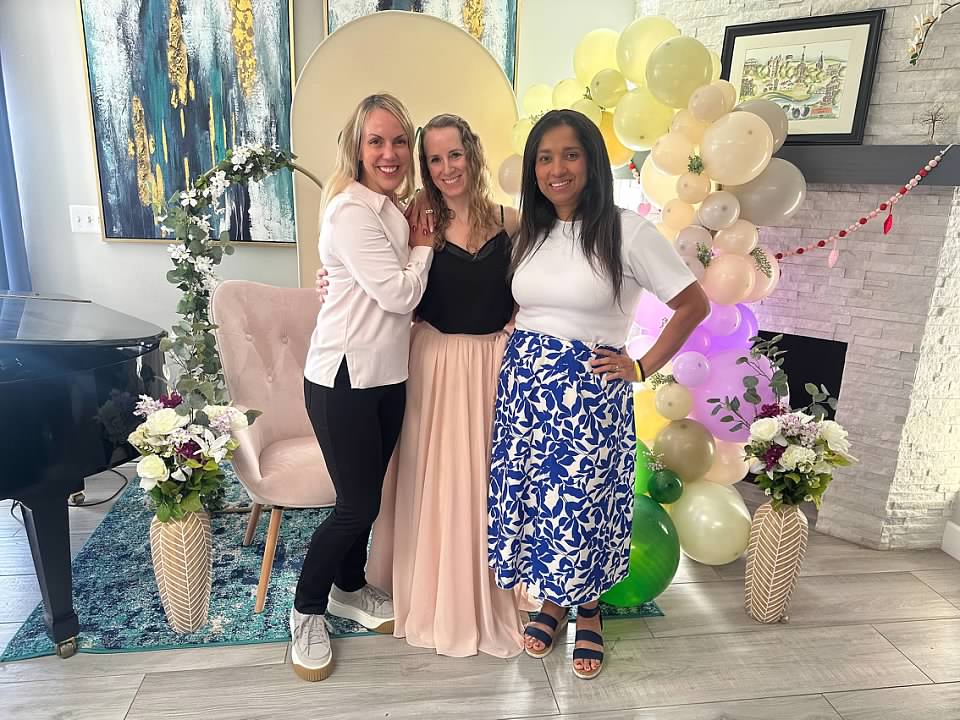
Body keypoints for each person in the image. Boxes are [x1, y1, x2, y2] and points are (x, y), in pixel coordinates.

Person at [487, 109, 709, 680]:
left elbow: (693, 305)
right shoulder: (532, 230)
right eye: (544, 158)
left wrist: (643, 365)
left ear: (591, 161)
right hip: (526, 390)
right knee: (539, 503)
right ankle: (552, 602)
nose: (556, 169)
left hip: (588, 392)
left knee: (583, 505)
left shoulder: (627, 230)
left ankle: (587, 608)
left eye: (570, 154)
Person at [319, 114, 529, 658]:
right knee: (436, 479)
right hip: (433, 365)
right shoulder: (413, 217)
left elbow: (539, 281)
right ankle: (428, 589)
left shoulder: (510, 220)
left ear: (472, 155)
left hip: (492, 367)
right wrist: (328, 279)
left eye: (454, 154)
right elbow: (371, 278)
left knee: (487, 482)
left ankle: (491, 585)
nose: (445, 168)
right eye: (434, 159)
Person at [291, 93, 434, 682]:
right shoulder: (352, 209)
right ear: (357, 147)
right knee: (357, 506)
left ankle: (349, 587)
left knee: (367, 495)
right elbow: (399, 295)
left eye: (399, 141)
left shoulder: (392, 208)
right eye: (377, 141)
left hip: (387, 376)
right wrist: (423, 248)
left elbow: (383, 289)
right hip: (343, 379)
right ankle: (306, 611)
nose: (389, 152)